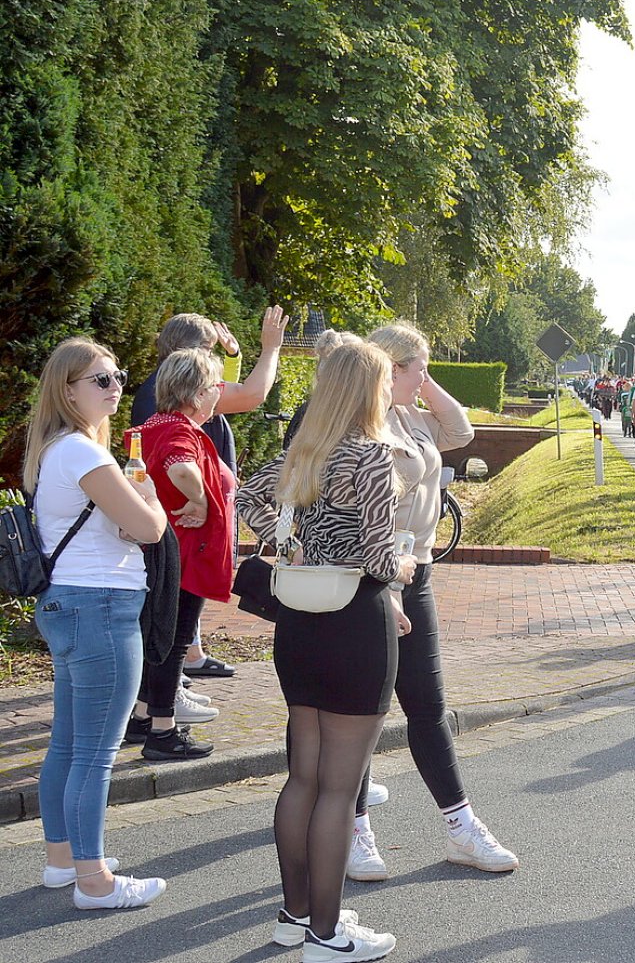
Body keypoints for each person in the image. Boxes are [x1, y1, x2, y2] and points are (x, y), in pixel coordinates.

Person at [238, 342, 410, 959]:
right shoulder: (370, 459)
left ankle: (294, 916)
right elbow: (381, 557)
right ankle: (328, 936)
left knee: (304, 777)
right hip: (354, 626)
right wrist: (409, 562)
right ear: (368, 389)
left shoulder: (304, 452)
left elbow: (244, 500)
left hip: (299, 627)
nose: (390, 392)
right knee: (340, 786)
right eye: (386, 382)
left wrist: (293, 550)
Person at [345, 322, 516, 882]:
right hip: (370, 581)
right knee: (364, 713)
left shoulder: (414, 419)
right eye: (417, 367)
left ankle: (462, 829)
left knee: (428, 707)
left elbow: (461, 430)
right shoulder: (358, 427)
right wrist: (386, 589)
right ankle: (355, 830)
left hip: (415, 576)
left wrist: (423, 380)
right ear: (388, 370)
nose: (426, 378)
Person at [28, 338, 170, 909]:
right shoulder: (85, 454)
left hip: (67, 602)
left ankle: (64, 860)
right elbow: (151, 527)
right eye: (100, 380)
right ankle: (95, 880)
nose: (115, 389)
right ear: (68, 390)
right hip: (101, 607)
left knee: (68, 742)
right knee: (96, 751)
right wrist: (153, 499)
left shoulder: (55, 449)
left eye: (117, 376)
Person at [131, 307, 289, 681]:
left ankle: (184, 665)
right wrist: (270, 348)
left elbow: (218, 399)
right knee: (176, 608)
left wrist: (234, 357)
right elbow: (251, 395)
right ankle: (164, 698)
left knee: (178, 611)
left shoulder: (163, 392)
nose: (214, 359)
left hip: (178, 525)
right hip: (184, 526)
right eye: (209, 350)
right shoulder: (174, 406)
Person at [124, 349, 234, 761]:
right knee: (174, 640)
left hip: (168, 552)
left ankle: (140, 716)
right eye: (212, 388)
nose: (216, 396)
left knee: (159, 637)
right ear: (194, 393)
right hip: (186, 555)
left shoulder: (156, 424)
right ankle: (163, 731)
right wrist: (202, 499)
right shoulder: (180, 431)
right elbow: (180, 468)